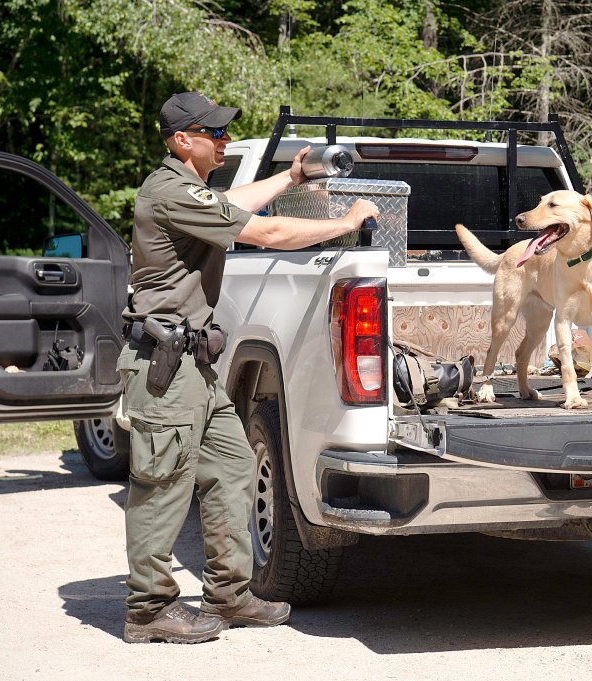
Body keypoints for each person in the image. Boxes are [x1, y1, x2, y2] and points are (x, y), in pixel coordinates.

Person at [119, 91, 379, 644]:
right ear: (181, 139)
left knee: (234, 468)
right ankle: (148, 610)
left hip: (195, 366)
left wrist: (290, 177)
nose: (224, 140)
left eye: (223, 132)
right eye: (213, 133)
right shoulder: (168, 192)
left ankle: (230, 595)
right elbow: (265, 232)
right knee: (163, 483)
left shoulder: (187, 190)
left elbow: (236, 202)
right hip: (165, 367)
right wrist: (348, 222)